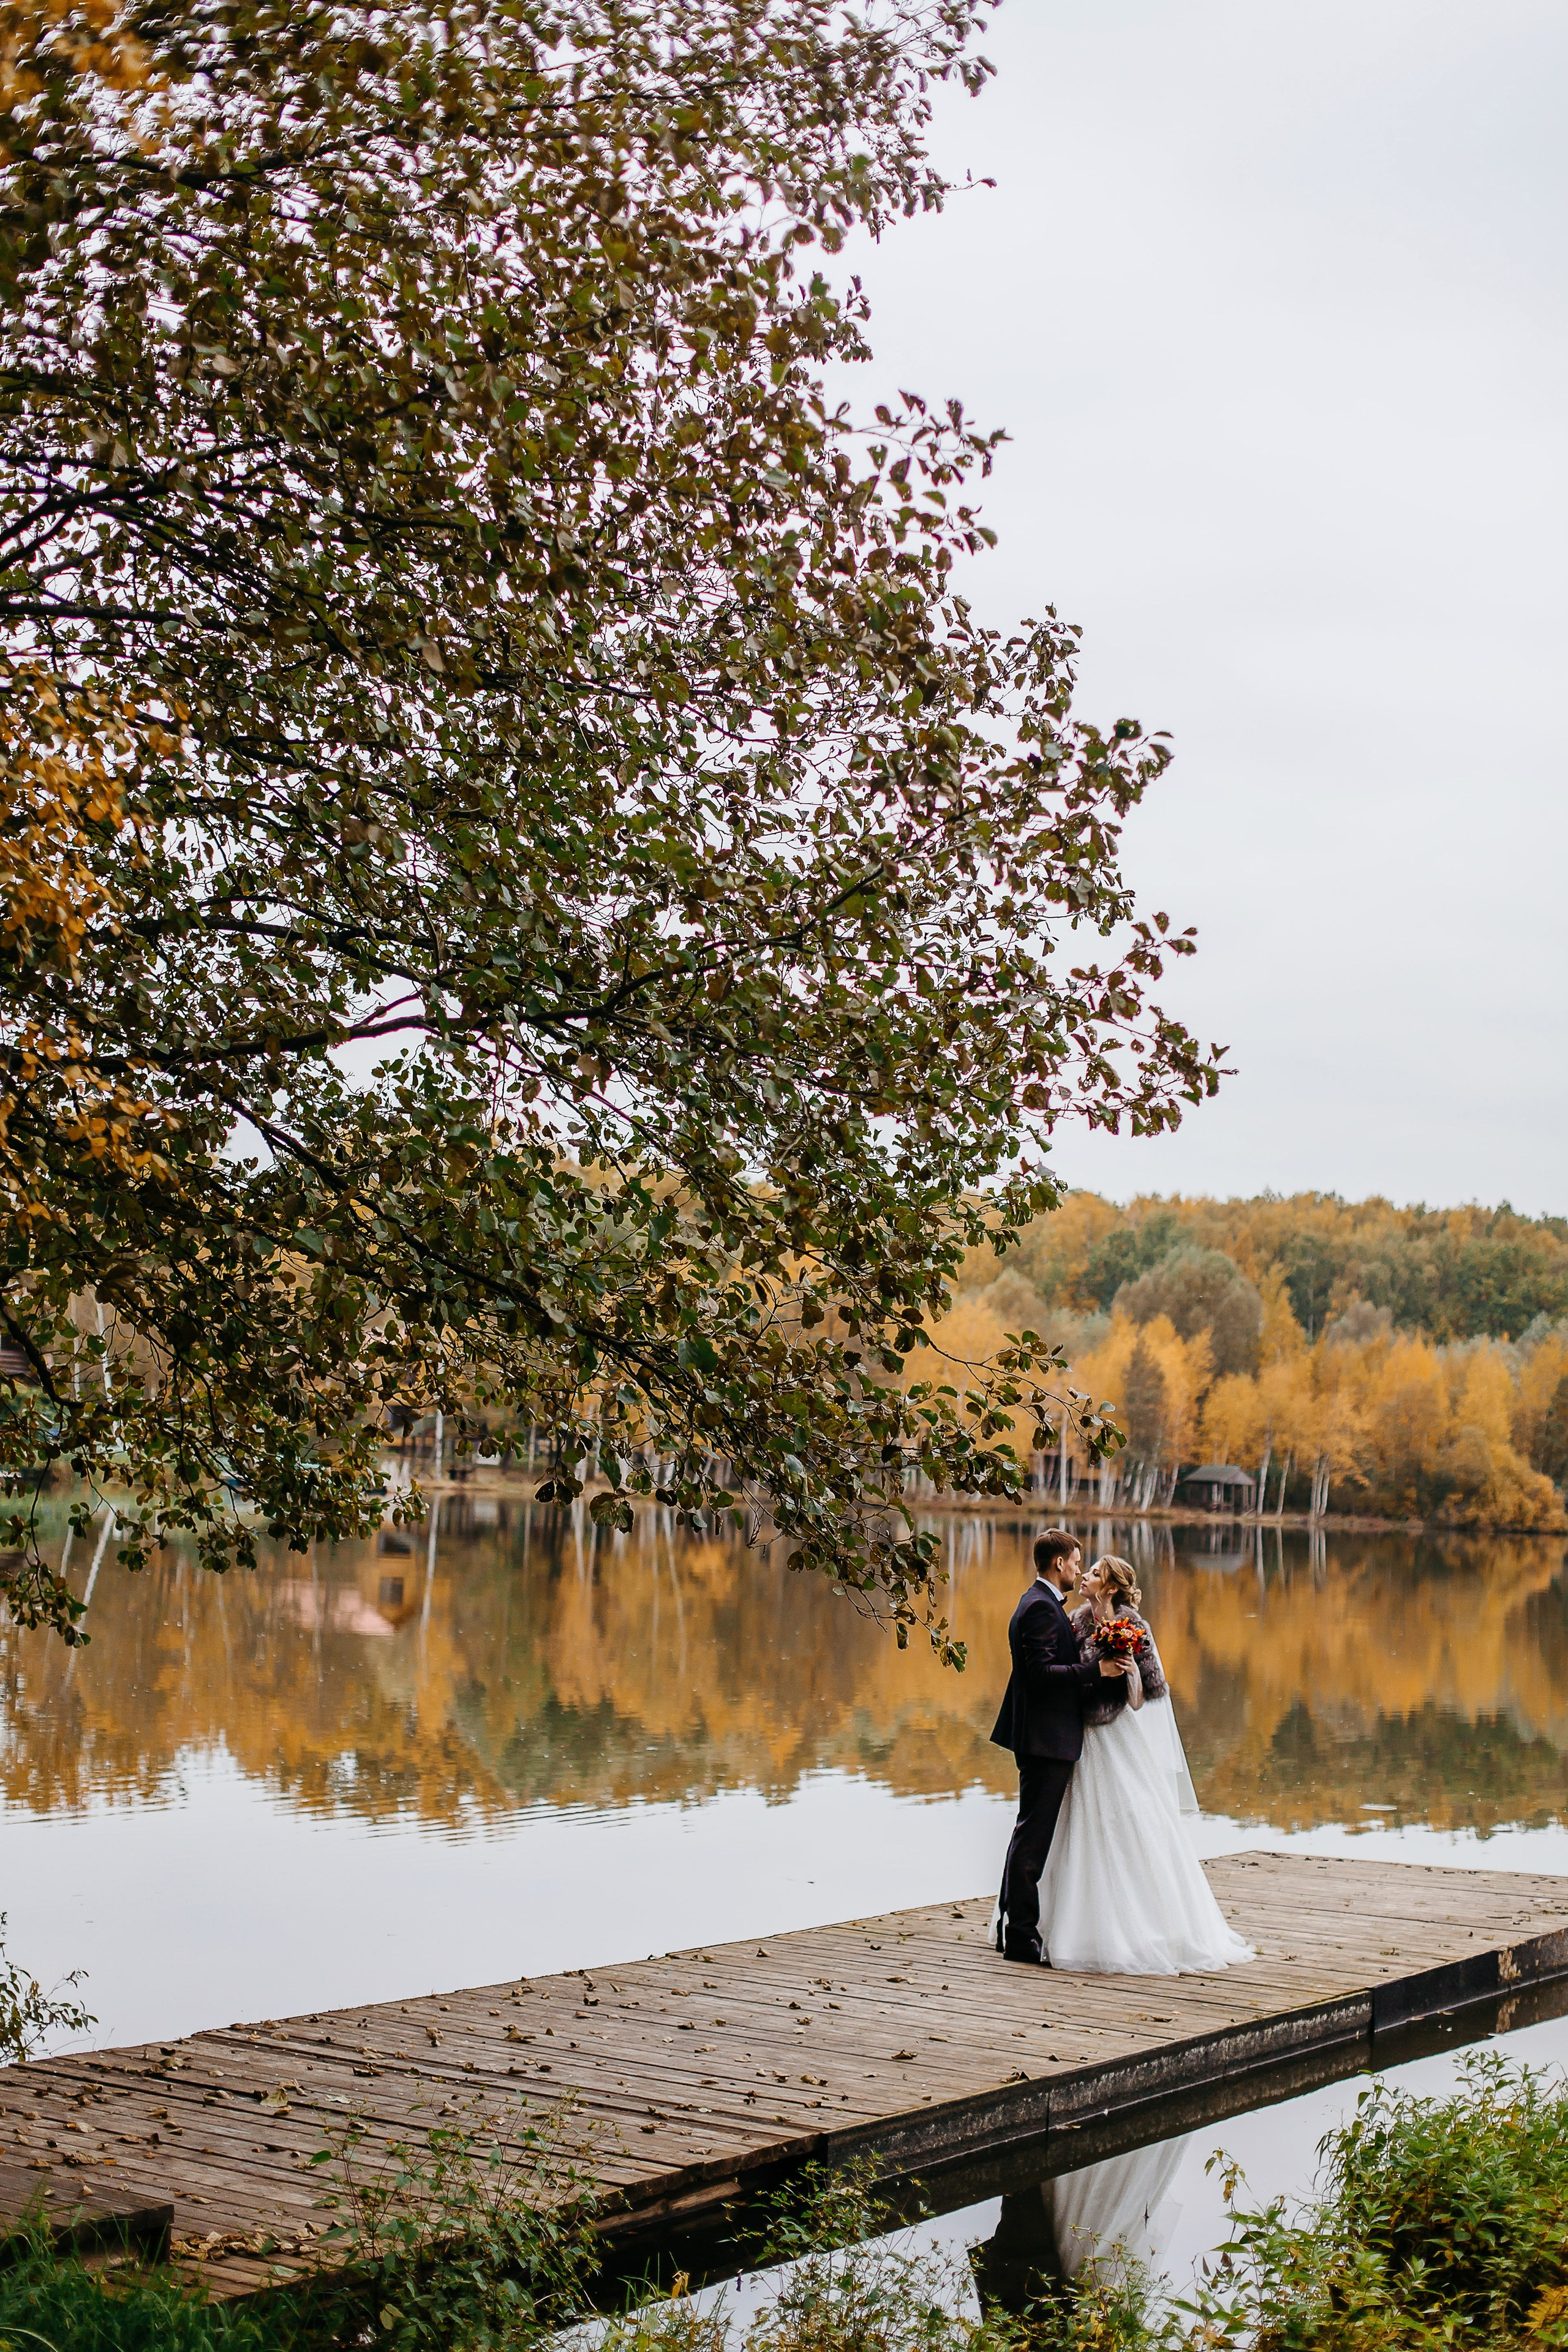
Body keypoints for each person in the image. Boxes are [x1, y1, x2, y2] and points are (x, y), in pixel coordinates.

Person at [1034, 1553, 1254, 1974]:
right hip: (1079, 1738)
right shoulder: (1075, 1621)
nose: (1085, 1576)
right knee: (1072, 1827)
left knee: (1127, 1823)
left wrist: (1130, 1671)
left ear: (1111, 1586)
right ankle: (1058, 1925)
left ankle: (1138, 1928)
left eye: (1095, 1573)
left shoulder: (1135, 1627)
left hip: (1116, 1736)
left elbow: (1143, 1699)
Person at [990, 1529, 1126, 1964]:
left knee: (1026, 1833)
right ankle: (1022, 1937)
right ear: (1058, 1565)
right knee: (1032, 1839)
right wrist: (1095, 1670)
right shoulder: (1041, 1611)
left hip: (1041, 1736)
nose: (1078, 1569)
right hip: (1045, 1739)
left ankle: (1012, 1928)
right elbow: (1043, 1675)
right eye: (1075, 1561)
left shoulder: (1040, 1604)